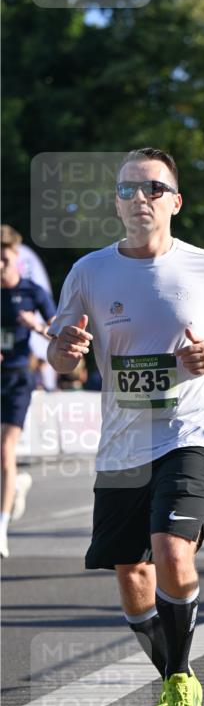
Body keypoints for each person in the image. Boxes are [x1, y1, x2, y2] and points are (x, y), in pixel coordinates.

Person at [47, 148, 204, 706]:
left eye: (152, 189)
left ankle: (180, 684)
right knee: (132, 577)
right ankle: (176, 680)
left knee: (171, 548)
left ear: (175, 202)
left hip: (191, 429)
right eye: (127, 190)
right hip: (122, 442)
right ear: (115, 203)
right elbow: (60, 351)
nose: (139, 199)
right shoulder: (89, 271)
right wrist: (66, 354)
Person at [1, 225, 56, 556]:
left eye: (4, 259)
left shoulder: (32, 291)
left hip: (19, 376)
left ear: (16, 259)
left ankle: (2, 526)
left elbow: (57, 330)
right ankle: (17, 483)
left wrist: (35, 325)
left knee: (6, 449)